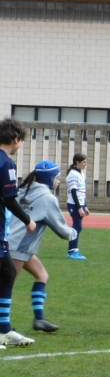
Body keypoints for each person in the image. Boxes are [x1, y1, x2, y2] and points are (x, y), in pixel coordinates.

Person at [9, 161, 78, 333]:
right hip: (18, 247)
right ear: (49, 178)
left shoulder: (23, 191)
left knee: (42, 275)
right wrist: (74, 232)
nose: (59, 182)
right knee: (6, 287)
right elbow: (62, 231)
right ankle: (4, 327)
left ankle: (39, 320)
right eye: (57, 178)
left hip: (14, 244)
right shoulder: (47, 198)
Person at [0, 117, 37, 349]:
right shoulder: (7, 164)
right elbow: (10, 199)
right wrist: (28, 220)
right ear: (16, 139)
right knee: (6, 273)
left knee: (8, 273)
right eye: (21, 141)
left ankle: (4, 330)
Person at [66, 152, 90, 260]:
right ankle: (72, 252)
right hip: (74, 204)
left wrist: (85, 206)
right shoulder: (73, 174)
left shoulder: (81, 173)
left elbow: (82, 192)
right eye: (84, 162)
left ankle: (74, 250)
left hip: (80, 203)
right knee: (77, 226)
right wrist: (79, 207)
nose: (85, 164)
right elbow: (73, 192)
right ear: (77, 162)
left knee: (77, 227)